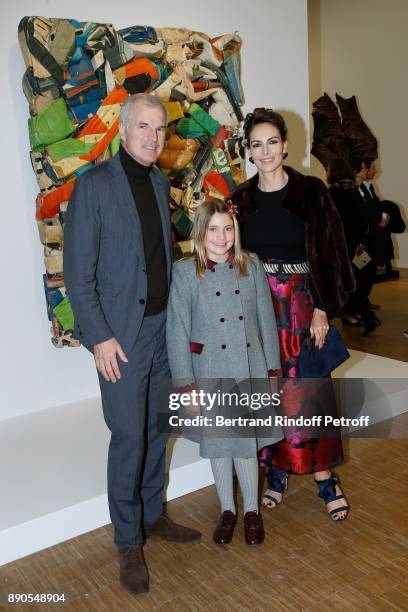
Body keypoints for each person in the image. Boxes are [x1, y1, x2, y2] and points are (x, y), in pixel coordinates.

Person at [63, 93, 200, 597]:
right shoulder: (93, 186)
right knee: (127, 436)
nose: (153, 137)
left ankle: (150, 514)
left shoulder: (161, 180)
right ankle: (127, 541)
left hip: (163, 329)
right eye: (144, 127)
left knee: (155, 427)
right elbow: (77, 275)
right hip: (120, 337)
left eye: (160, 129)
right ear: (123, 130)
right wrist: (99, 336)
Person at [230, 108, 355, 521]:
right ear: (248, 151)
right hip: (258, 308)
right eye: (256, 145)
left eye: (272, 142)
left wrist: (323, 308)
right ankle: (277, 473)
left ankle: (324, 478)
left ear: (284, 145)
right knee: (268, 393)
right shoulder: (240, 201)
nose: (265, 152)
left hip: (303, 306)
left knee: (310, 393)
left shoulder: (313, 192)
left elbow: (334, 254)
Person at [166, 199, 282, 545]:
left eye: (228, 228)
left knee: (245, 444)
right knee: (219, 445)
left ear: (236, 231)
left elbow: (266, 322)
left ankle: (251, 512)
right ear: (201, 233)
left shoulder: (251, 265)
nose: (221, 236)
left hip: (249, 367)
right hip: (209, 371)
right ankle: (227, 509)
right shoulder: (186, 272)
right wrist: (187, 387)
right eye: (213, 229)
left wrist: (272, 374)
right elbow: (177, 332)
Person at [327, 158, 380, 335]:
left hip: (339, 246)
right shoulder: (354, 191)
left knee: (341, 284)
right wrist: (361, 242)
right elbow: (362, 219)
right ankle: (367, 317)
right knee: (352, 284)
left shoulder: (332, 193)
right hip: (355, 246)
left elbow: (330, 221)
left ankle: (362, 316)